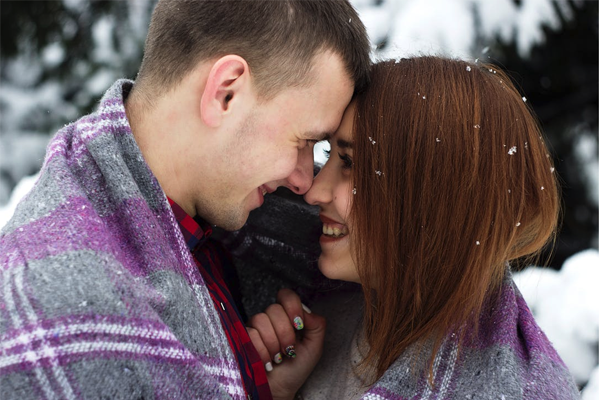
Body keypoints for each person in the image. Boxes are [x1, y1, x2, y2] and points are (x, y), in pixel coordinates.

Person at [0, 1, 370, 399]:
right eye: (305, 141)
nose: (304, 180)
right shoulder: (60, 316)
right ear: (226, 93)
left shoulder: (197, 230)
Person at [246, 57, 580, 399]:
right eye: (330, 154)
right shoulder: (328, 317)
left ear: (431, 197)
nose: (314, 191)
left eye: (349, 163)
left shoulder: (510, 391)